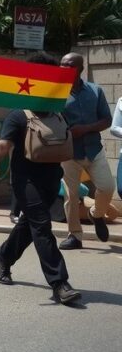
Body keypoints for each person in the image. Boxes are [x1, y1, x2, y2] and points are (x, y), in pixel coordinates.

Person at [0, 51, 80, 305]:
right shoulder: (19, 114)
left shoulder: (58, 113)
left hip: (51, 178)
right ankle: (59, 282)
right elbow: (2, 146)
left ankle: (3, 256)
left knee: (29, 226)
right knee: (41, 226)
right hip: (25, 181)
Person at [59, 52, 112, 250]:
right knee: (71, 196)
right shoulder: (55, 93)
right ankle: (75, 235)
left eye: (69, 65)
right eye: (62, 65)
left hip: (93, 150)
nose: (64, 68)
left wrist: (86, 129)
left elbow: (106, 120)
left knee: (107, 187)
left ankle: (96, 214)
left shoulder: (95, 91)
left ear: (80, 69)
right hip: (69, 153)